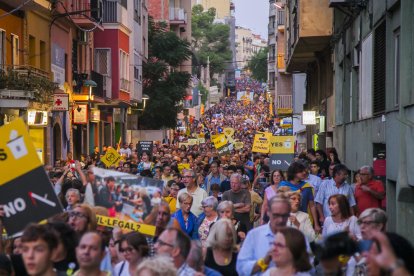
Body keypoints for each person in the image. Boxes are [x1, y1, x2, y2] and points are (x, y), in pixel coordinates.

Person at [237, 196, 291, 275]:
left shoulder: (297, 236)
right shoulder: (254, 235)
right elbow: (241, 269)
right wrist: (263, 262)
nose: (281, 220)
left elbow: (309, 269)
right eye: (276, 215)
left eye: (284, 215)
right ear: (268, 212)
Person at [279, 162, 319, 233]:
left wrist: (316, 224)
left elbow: (312, 206)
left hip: (303, 219)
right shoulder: (283, 185)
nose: (304, 173)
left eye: (304, 171)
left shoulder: (307, 187)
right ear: (293, 173)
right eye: (301, 171)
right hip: (286, 219)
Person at [348, 208, 388, 276]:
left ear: (379, 226)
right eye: (360, 223)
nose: (362, 226)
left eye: (367, 223)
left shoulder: (386, 247)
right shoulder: (363, 244)